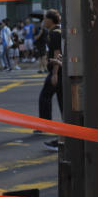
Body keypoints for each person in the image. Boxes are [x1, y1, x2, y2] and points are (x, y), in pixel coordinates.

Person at [37, 9, 63, 151]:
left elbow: (57, 53)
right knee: (61, 102)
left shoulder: (55, 34)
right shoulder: (53, 32)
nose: (43, 20)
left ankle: (46, 125)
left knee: (46, 97)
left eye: (45, 18)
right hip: (58, 71)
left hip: (57, 71)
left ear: (50, 20)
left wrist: (55, 73)